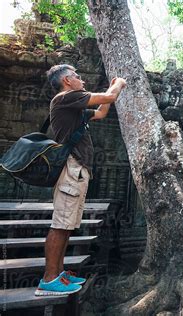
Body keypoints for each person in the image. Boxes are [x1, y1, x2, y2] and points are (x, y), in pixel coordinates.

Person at [35, 64, 126, 296]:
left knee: (67, 226)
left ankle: (59, 273)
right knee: (60, 225)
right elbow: (109, 97)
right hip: (71, 170)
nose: (82, 80)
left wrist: (110, 89)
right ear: (66, 80)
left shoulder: (73, 107)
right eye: (77, 76)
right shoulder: (65, 98)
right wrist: (118, 84)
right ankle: (49, 278)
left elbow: (103, 111)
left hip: (78, 171)